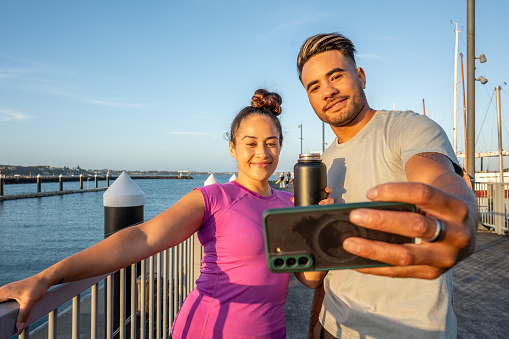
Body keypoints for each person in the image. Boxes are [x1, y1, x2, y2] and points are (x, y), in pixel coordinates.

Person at [0, 89, 328, 338]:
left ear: (281, 147)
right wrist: (47, 277)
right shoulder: (214, 197)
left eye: (271, 143)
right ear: (232, 148)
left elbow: (308, 278)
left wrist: (319, 229)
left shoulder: (292, 203)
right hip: (209, 329)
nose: (262, 153)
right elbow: (143, 237)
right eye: (250, 143)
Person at [296, 33, 478, 338]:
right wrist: (316, 324)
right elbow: (324, 272)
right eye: (314, 87)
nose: (327, 90)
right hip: (334, 327)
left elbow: (439, 177)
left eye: (336, 75)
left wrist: (459, 215)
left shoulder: (407, 127)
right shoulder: (323, 164)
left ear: (361, 76)